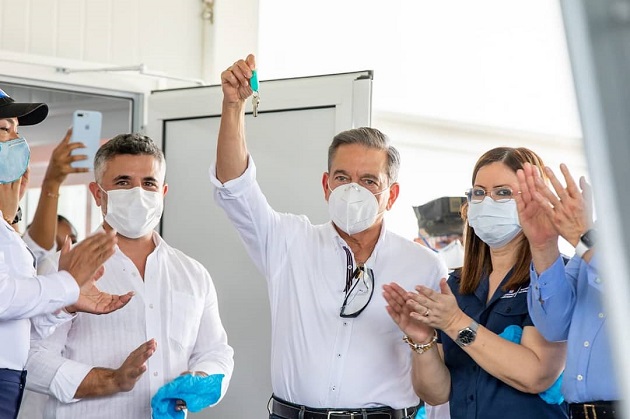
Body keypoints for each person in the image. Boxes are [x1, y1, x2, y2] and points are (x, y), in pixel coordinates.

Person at [212, 54, 447, 418]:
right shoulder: (289, 241)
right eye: (342, 178)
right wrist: (232, 107)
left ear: (392, 195)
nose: (353, 190)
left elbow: (438, 384)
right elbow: (234, 188)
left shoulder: (423, 266)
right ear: (326, 185)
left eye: (369, 181)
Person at [24, 133, 234, 419]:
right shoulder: (63, 266)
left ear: (163, 192)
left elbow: (216, 351)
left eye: (149, 183)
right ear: (98, 194)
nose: (138, 193)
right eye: (123, 183)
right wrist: (109, 380)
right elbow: (30, 357)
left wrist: (201, 379)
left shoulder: (192, 274)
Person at [383, 147, 569, 419]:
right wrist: (421, 342)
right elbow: (437, 393)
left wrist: (455, 323)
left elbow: (537, 375)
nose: (488, 202)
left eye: (503, 192)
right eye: (479, 192)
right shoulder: (458, 285)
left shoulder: (553, 277)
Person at [0, 87, 131, 419]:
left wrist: (62, 306)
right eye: (5, 130)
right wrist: (66, 284)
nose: (17, 141)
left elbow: (16, 326)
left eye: (17, 130)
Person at [516, 162, 617, 418]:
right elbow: (554, 326)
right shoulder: (602, 232)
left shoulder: (589, 238)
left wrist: (584, 239)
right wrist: (543, 246)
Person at [22, 128, 88, 263]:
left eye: (72, 242)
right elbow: (40, 248)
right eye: (54, 244)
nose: (64, 251)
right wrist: (52, 182)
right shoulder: (35, 267)